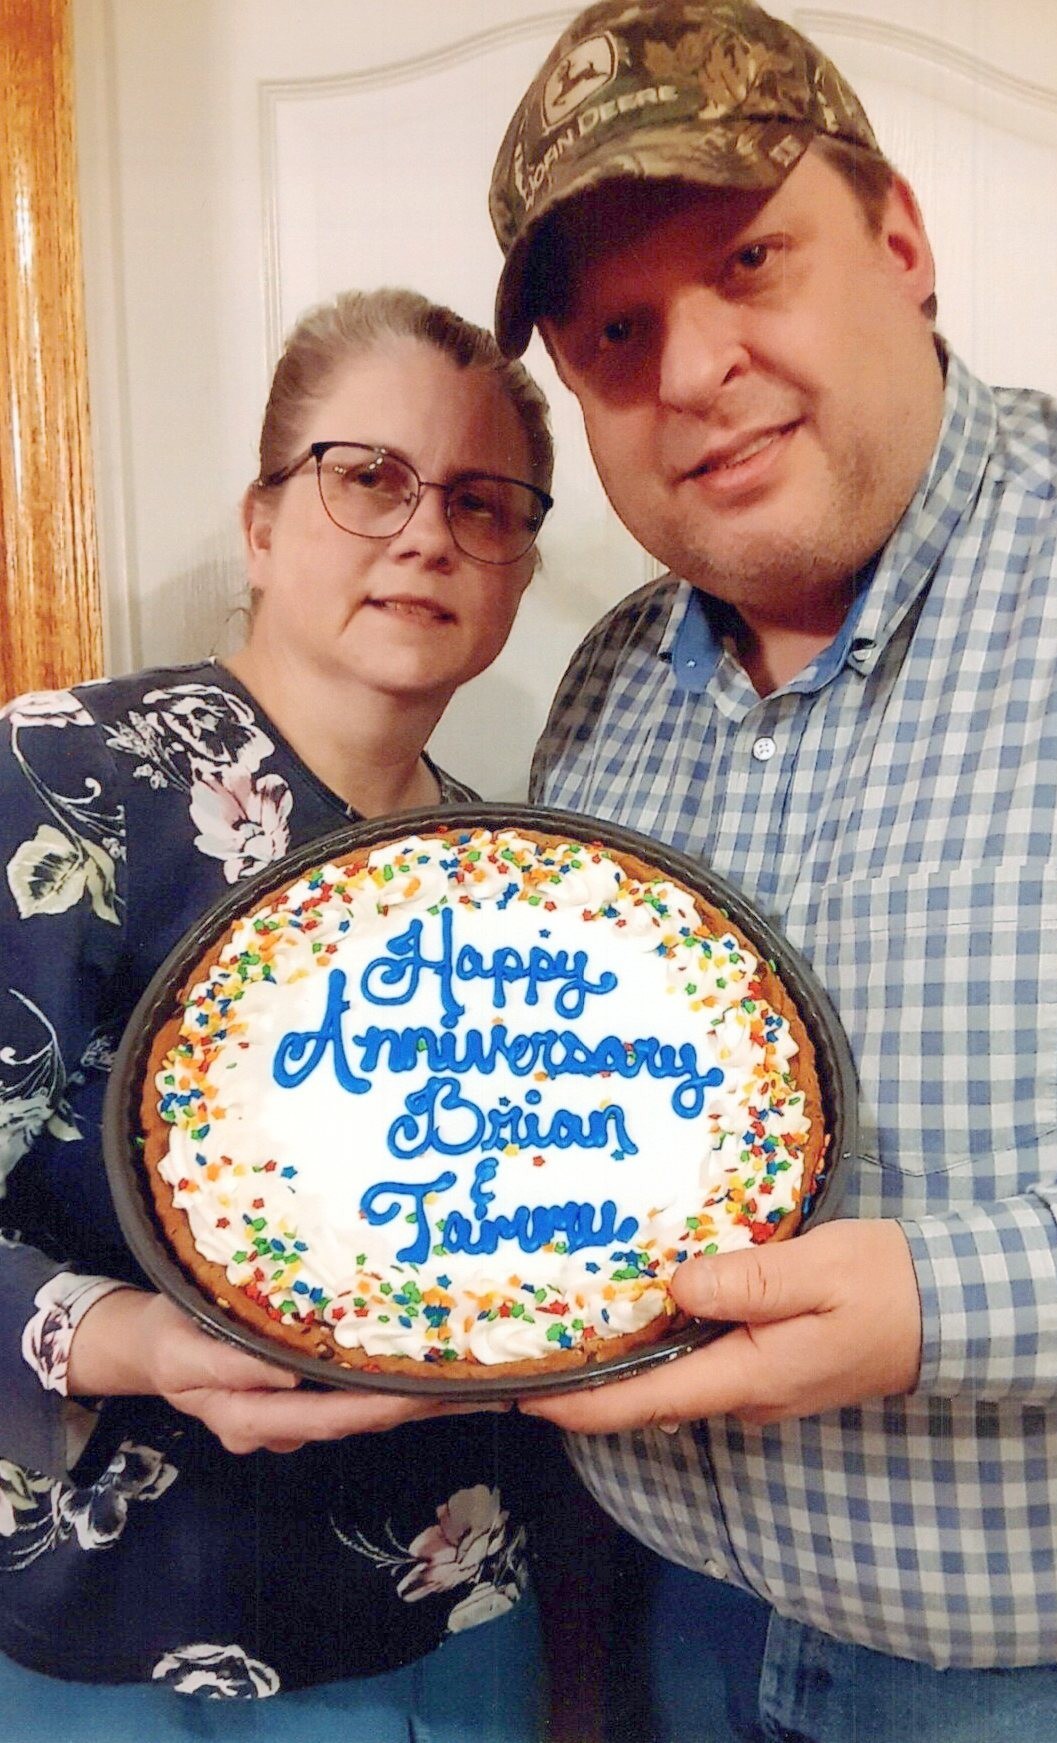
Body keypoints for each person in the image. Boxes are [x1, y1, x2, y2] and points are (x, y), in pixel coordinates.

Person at [485, 3, 1057, 1739]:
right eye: (617, 330)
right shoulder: (605, 684)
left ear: (902, 244)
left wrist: (941, 1302)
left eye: (750, 260)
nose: (691, 370)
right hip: (655, 1625)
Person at [0, 286, 560, 1740]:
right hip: (123, 1645)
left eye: (482, 503)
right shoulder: (62, 783)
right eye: (368, 476)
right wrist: (136, 1341)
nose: (426, 535)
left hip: (464, 1618)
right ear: (260, 524)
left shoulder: (526, 879)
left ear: (517, 569)